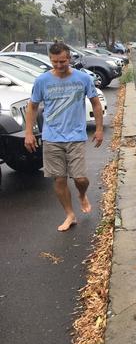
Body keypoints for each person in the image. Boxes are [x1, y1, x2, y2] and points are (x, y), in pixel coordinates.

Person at [24, 43, 104, 232]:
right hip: (51, 137)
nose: (59, 65)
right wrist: (28, 133)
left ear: (69, 58)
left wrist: (99, 129)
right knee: (59, 179)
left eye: (62, 61)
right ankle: (70, 214)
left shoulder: (83, 78)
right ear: (50, 60)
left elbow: (96, 104)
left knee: (80, 178)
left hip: (75, 136)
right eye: (54, 61)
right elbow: (32, 107)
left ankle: (82, 195)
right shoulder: (42, 81)